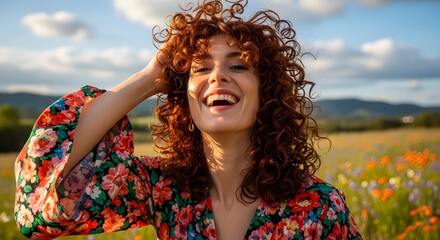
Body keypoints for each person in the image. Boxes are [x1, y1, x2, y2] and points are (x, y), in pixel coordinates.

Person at [14, 0, 363, 239]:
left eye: (238, 65)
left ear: (267, 92)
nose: (217, 76)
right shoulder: (166, 189)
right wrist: (150, 78)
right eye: (201, 68)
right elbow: (44, 203)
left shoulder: (319, 206)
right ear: (184, 94)